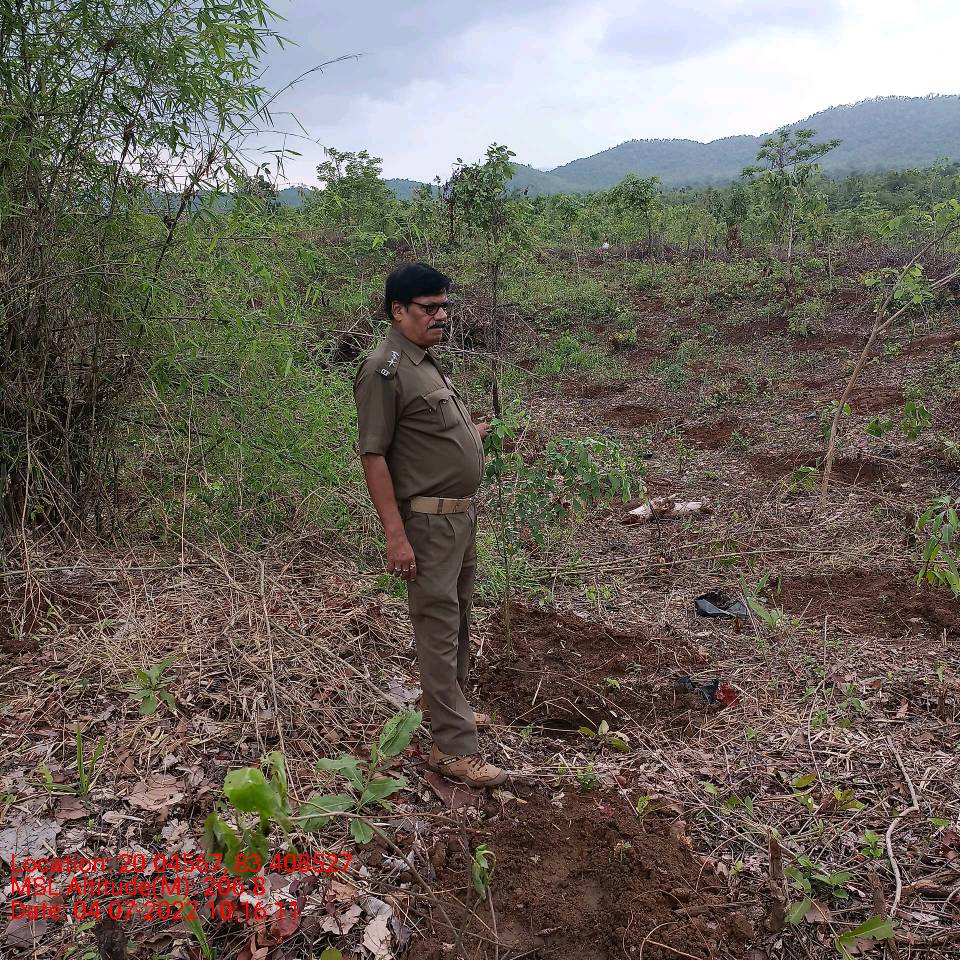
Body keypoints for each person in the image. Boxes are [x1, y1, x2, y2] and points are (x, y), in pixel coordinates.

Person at [353, 262, 508, 789]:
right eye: (429, 308)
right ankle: (451, 746)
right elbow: (374, 456)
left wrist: (470, 435)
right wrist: (396, 536)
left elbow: (426, 435)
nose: (441, 316)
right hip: (427, 524)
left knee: (459, 617)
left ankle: (449, 706)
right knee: (438, 628)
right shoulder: (385, 370)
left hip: (459, 518)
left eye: (444, 306)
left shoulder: (425, 363)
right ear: (398, 311)